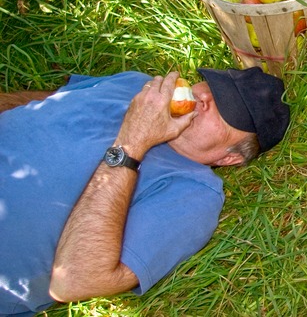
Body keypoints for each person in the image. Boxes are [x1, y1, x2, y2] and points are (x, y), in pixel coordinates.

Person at [0, 67, 290, 316]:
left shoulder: (193, 194)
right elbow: (51, 100)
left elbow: (74, 282)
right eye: (213, 86)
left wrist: (134, 139)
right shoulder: (139, 87)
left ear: (229, 158)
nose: (204, 98)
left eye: (227, 109)